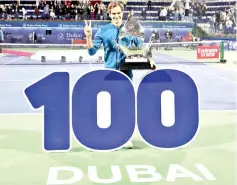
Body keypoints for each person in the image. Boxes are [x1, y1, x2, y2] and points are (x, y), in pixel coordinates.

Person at [84, 1, 139, 149]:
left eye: (118, 13)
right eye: (113, 14)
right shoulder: (103, 30)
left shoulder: (129, 28)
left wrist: (136, 35)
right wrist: (88, 36)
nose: (116, 16)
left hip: (126, 73)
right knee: (109, 106)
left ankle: (125, 137)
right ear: (109, 14)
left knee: (125, 106)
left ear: (122, 14)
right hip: (109, 73)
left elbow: (139, 46)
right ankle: (109, 135)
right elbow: (91, 51)